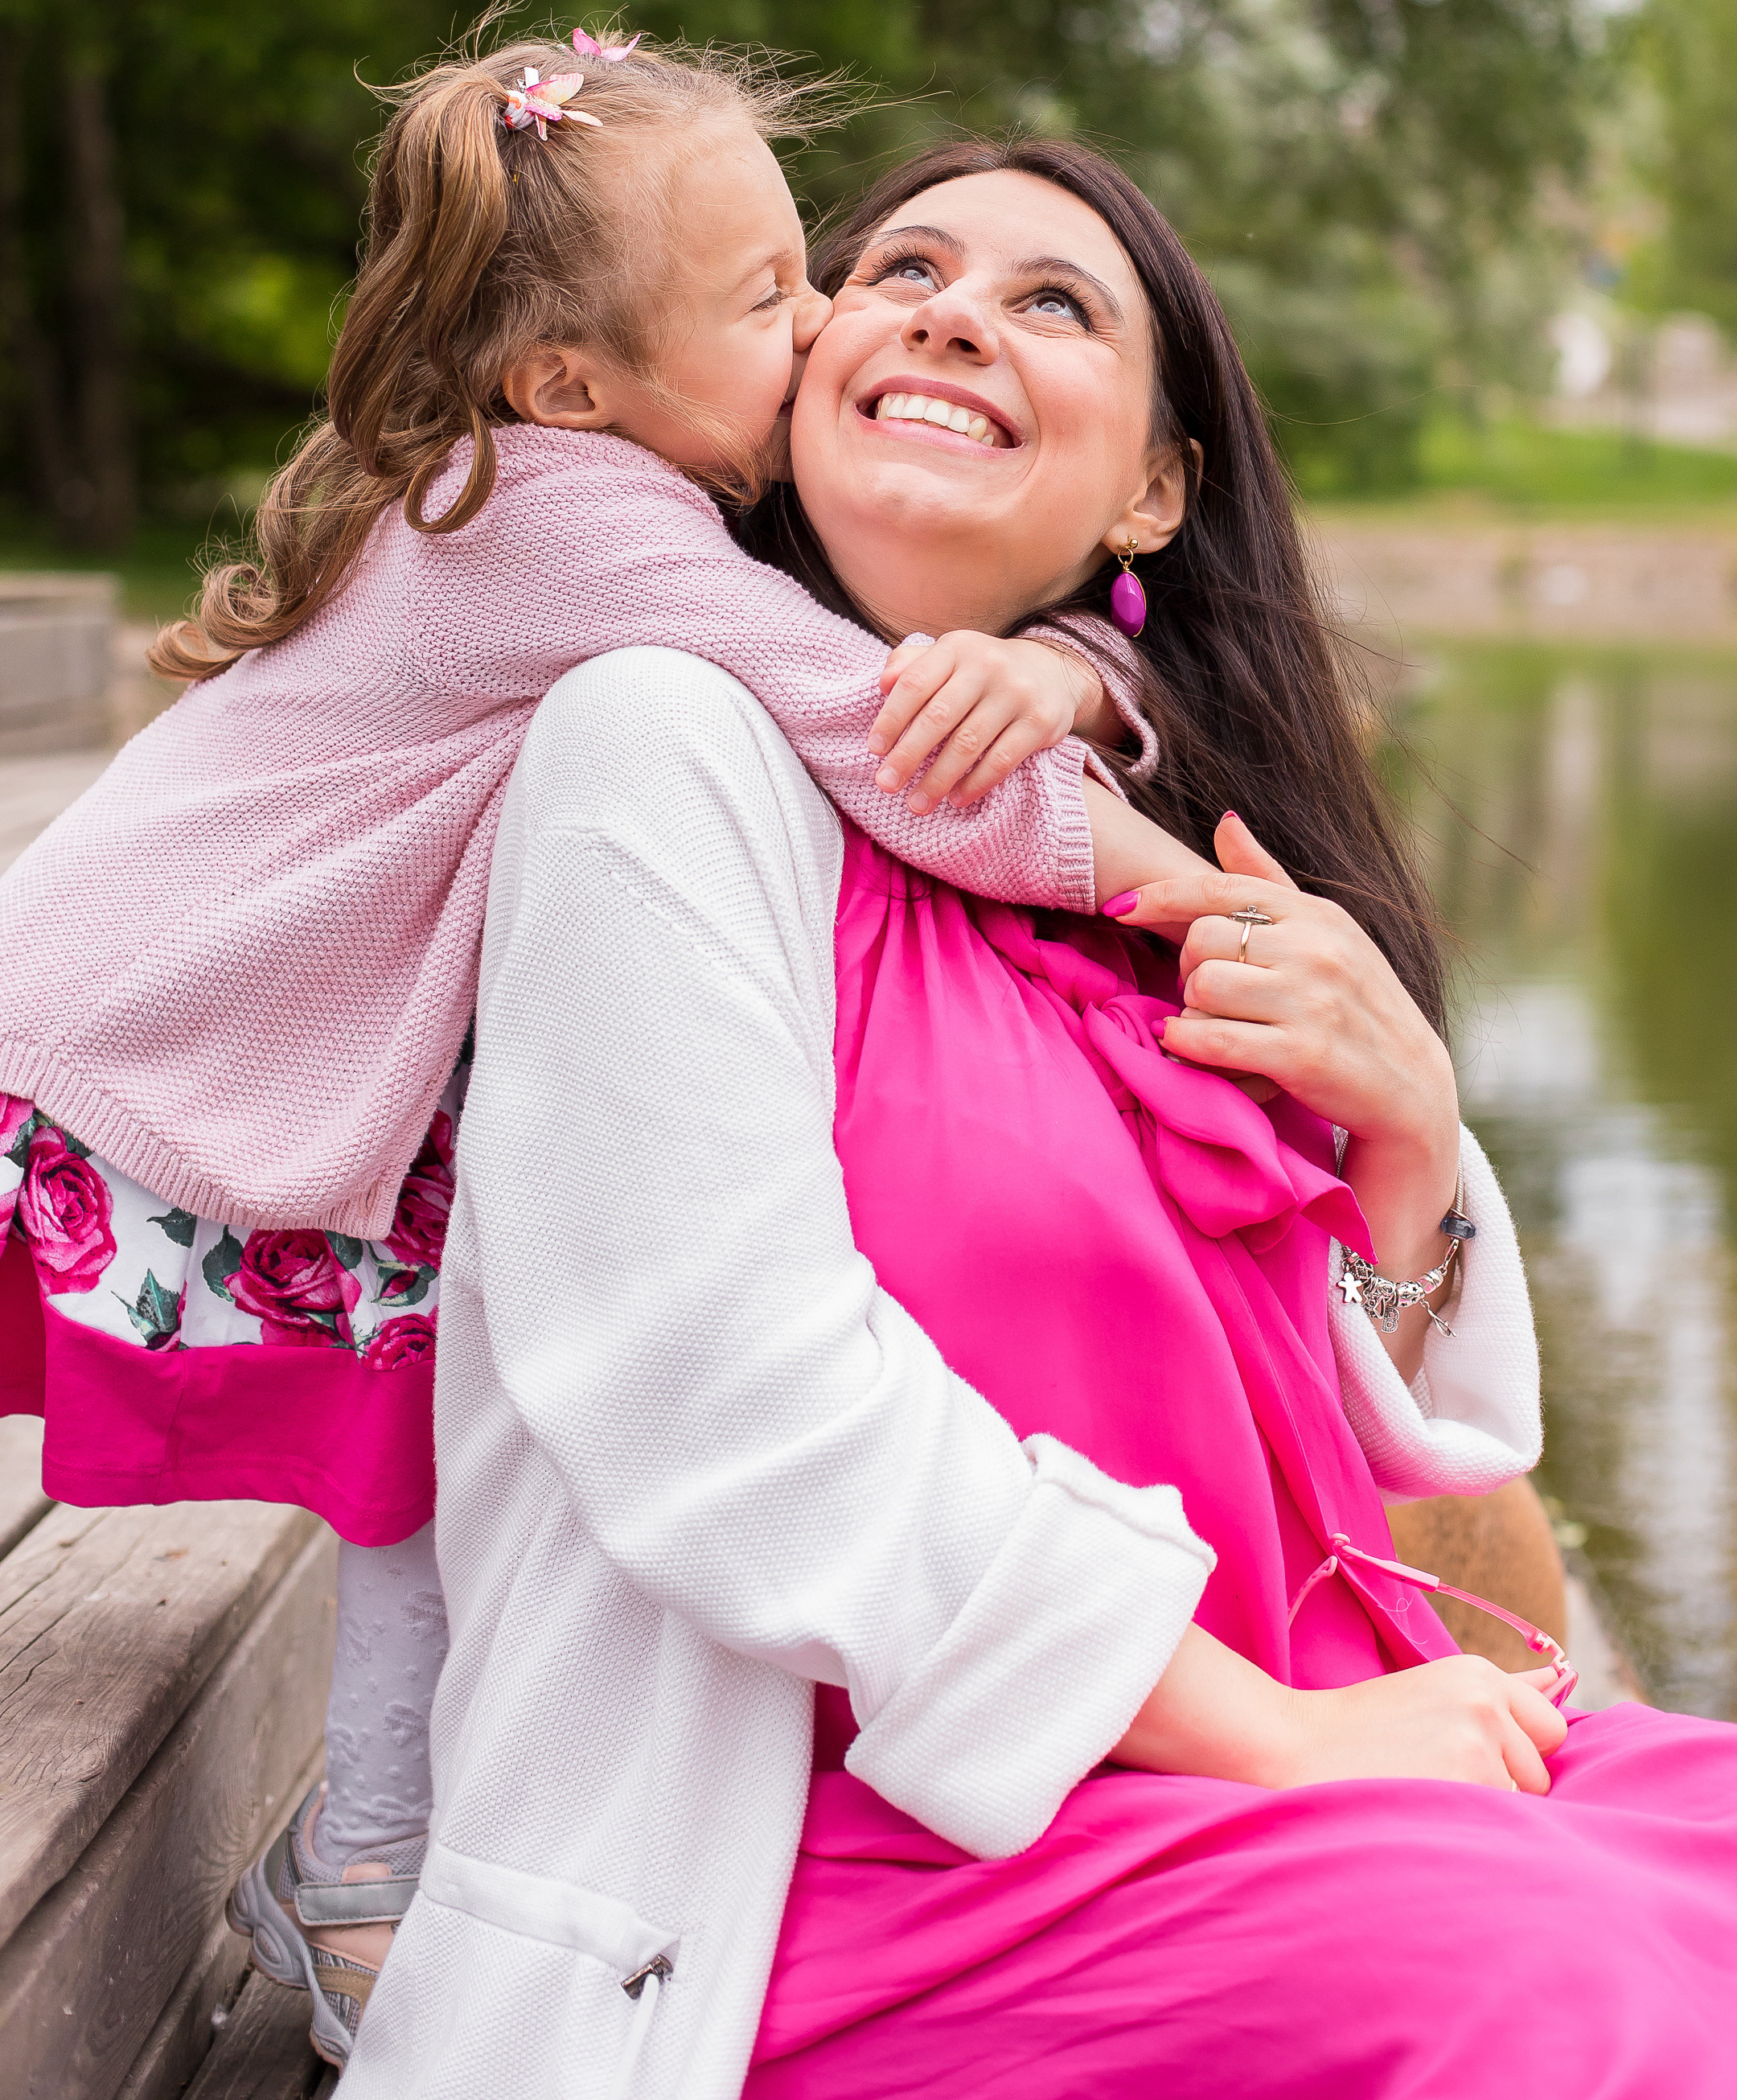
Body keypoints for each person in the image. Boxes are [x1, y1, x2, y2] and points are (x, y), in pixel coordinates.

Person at [348, 137, 1737, 2100]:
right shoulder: (657, 745)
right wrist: (1277, 1735)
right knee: (1556, 1996)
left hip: (1297, 1768)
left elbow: (1370, 1482)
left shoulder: (1146, 863)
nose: (951, 312)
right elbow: (723, 1400)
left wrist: (1414, 1141)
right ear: (792, 374)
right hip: (832, 1868)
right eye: (898, 268)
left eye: (1054, 301)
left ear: (1157, 488)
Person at [0, 42, 1207, 2068]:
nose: (829, 321)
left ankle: (367, 1875)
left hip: (164, 1014)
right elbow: (900, 754)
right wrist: (1209, 900)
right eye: (769, 301)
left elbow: (934, 657)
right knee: (403, 1438)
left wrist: (1079, 662)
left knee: (406, 1446)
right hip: (143, 1045)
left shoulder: (550, 479)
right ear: (573, 383)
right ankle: (365, 1882)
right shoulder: (586, 529)